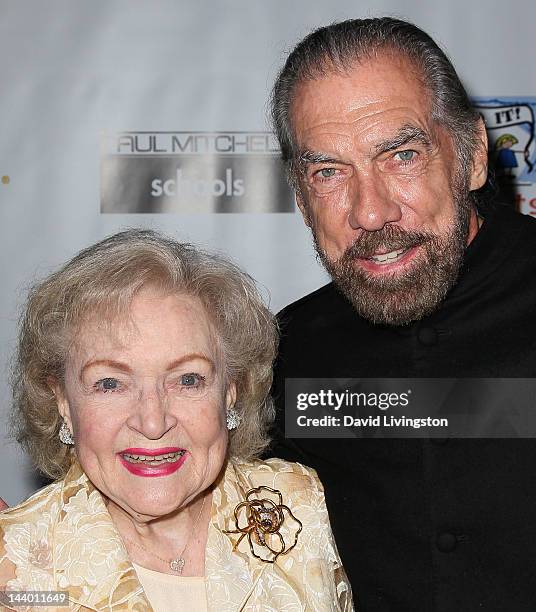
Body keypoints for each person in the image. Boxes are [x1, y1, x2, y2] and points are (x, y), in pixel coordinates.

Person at [269, 17, 536, 612]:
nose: (370, 212)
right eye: (329, 172)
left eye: (402, 156)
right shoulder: (281, 354)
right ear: (300, 195)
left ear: (470, 157)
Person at [0, 230, 352, 611]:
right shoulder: (13, 567)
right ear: (63, 402)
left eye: (188, 380)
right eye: (110, 383)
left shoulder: (300, 504)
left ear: (230, 390)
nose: (153, 422)